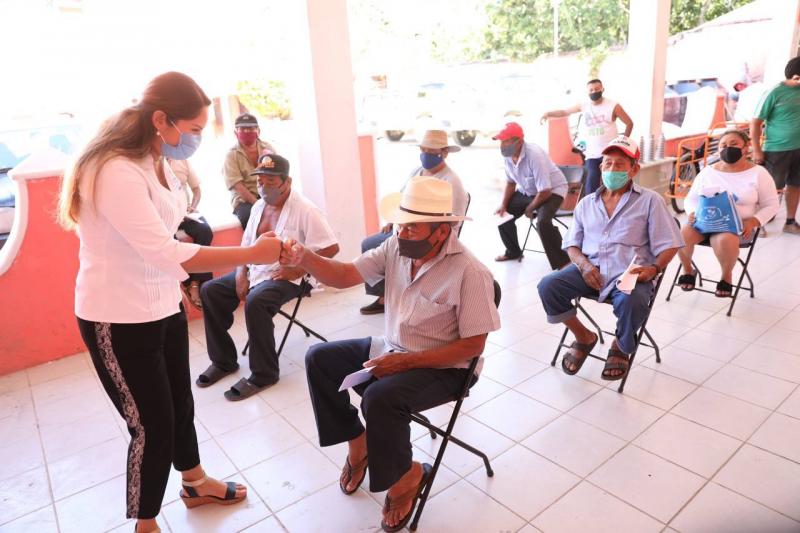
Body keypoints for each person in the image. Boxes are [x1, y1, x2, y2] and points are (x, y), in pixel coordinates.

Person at [57, 72, 282, 533]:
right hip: (116, 316)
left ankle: (195, 483)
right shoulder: (115, 170)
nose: (197, 138)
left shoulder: (157, 159)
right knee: (151, 426)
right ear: (162, 120)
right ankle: (146, 523)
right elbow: (164, 250)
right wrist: (252, 253)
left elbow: (166, 230)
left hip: (161, 303)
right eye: (194, 128)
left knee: (180, 404)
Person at [280, 177, 499, 532]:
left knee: (381, 398)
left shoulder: (471, 273)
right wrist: (305, 257)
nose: (402, 232)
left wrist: (406, 362)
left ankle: (408, 476)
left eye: (413, 227)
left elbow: (473, 347)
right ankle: (358, 442)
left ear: (442, 231)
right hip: (394, 347)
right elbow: (345, 274)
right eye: (401, 223)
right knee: (319, 359)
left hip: (447, 366)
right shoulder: (395, 247)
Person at [537, 136, 682, 381]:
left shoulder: (650, 201)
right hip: (590, 270)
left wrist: (654, 269)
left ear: (634, 169)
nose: (612, 169)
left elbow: (671, 243)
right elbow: (572, 245)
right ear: (600, 166)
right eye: (607, 163)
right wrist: (584, 266)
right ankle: (584, 336)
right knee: (548, 286)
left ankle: (621, 345)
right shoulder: (586, 203)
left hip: (630, 274)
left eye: (619, 164)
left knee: (632, 301)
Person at [198, 153, 339, 401]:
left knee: (257, 301)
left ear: (287, 182)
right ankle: (223, 361)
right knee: (211, 290)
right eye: (260, 181)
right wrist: (241, 273)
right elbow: (246, 244)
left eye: (271, 182)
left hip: (290, 276)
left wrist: (298, 269)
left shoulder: (305, 209)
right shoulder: (258, 206)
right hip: (256, 270)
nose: (264, 187)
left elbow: (330, 247)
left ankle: (264, 374)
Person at [359, 129, 469, 316]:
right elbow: (402, 199)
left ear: (444, 153)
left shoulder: (452, 182)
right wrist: (392, 220)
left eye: (431, 151)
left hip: (426, 234)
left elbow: (453, 222)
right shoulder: (417, 172)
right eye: (423, 150)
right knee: (368, 244)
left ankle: (401, 293)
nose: (425, 155)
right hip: (404, 226)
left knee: (398, 248)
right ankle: (384, 295)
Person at [677, 130, 779, 296]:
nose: (727, 148)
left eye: (734, 144)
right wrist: (693, 212)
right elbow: (691, 199)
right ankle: (688, 270)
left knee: (724, 239)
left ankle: (726, 276)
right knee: (682, 234)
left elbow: (771, 205)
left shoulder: (759, 173)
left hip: (738, 228)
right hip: (705, 222)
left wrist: (754, 221)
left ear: (746, 147)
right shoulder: (708, 172)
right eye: (723, 145)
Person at [493, 122, 570, 269]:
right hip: (529, 191)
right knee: (503, 215)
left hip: (552, 191)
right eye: (501, 141)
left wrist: (530, 208)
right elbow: (510, 183)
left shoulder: (534, 155)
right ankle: (513, 252)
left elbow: (545, 191)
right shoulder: (508, 155)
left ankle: (563, 262)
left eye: (505, 141)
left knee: (543, 222)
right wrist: (503, 204)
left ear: (519, 141)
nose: (502, 145)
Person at [541, 78, 634, 194]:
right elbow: (565, 112)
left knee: (612, 187)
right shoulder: (584, 105)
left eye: (597, 89)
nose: (594, 92)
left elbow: (629, 123)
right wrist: (548, 114)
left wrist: (622, 143)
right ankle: (592, 205)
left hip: (610, 153)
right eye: (591, 90)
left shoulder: (613, 105)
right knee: (590, 187)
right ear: (587, 92)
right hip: (592, 154)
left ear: (602, 89)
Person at [750, 56, 800, 234]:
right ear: (796, 77)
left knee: (796, 184)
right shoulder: (773, 93)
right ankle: (759, 224)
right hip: (777, 149)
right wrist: (757, 150)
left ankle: (790, 222)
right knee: (770, 188)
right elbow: (755, 123)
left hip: (798, 149)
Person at [169, 158, 213, 309]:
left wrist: (192, 208)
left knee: (205, 230)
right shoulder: (151, 163)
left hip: (186, 213)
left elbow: (196, 190)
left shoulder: (182, 161)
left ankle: (195, 283)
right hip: (166, 216)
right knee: (171, 241)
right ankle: (188, 283)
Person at [223, 113, 276, 229]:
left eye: (251, 128)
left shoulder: (268, 148)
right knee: (250, 217)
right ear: (235, 133)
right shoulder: (231, 155)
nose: (247, 132)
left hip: (267, 195)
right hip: (244, 201)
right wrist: (258, 204)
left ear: (258, 131)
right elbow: (239, 187)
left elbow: (277, 175)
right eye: (242, 129)